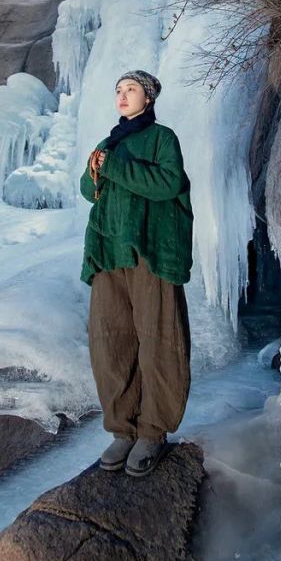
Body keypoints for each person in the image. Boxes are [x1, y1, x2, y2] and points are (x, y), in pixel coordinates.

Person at [79, 69, 194, 477]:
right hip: (110, 253)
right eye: (118, 90)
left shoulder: (163, 139)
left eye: (130, 89)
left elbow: (168, 184)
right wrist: (94, 172)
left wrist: (111, 168)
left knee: (159, 340)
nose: (122, 96)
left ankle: (152, 431)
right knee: (111, 343)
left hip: (151, 252)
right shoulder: (108, 142)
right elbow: (88, 190)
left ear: (148, 97)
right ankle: (122, 429)